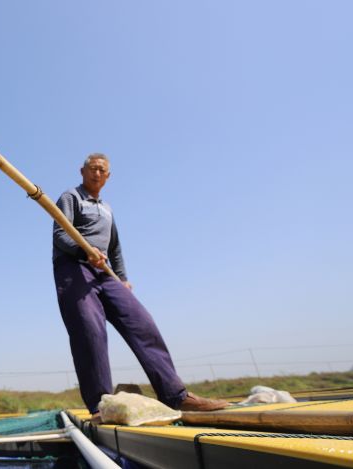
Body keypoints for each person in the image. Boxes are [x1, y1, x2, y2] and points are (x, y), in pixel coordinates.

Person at [52, 153, 228, 418]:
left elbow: (115, 248)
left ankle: (175, 396)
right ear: (82, 170)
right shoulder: (71, 197)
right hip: (74, 268)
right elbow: (60, 235)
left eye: (102, 170)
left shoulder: (107, 209)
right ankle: (102, 405)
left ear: (108, 176)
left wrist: (122, 279)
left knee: (142, 323)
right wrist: (83, 250)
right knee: (90, 330)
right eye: (92, 169)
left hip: (104, 270)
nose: (97, 173)